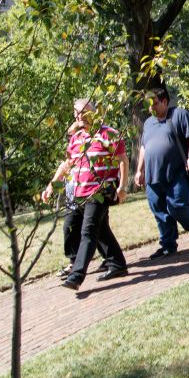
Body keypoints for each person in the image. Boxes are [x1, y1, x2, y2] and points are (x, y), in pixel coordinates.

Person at [43, 99, 129, 291]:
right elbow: (67, 165)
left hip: (100, 191)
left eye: (84, 112)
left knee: (88, 231)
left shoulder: (109, 134)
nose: (80, 116)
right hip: (79, 193)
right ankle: (117, 264)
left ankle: (76, 276)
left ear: (95, 112)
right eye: (77, 113)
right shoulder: (76, 138)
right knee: (96, 229)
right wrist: (52, 186)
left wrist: (122, 186)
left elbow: (122, 159)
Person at [135, 88, 189, 259]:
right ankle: (168, 244)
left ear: (165, 101)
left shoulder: (179, 115)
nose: (151, 108)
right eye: (149, 105)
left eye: (155, 104)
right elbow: (144, 147)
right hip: (153, 176)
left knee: (178, 205)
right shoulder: (148, 123)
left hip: (177, 173)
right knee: (158, 209)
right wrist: (139, 170)